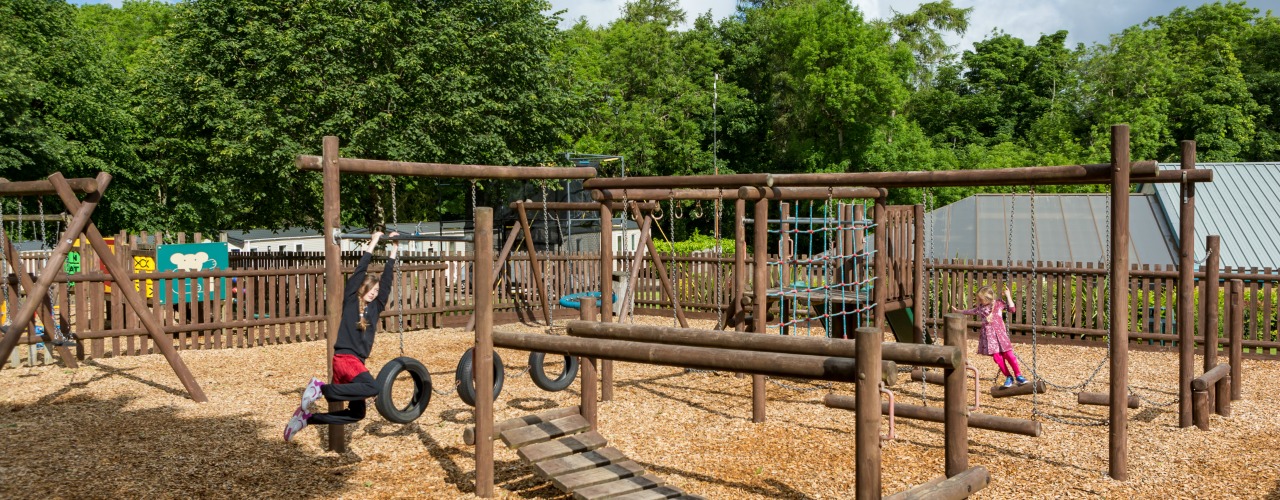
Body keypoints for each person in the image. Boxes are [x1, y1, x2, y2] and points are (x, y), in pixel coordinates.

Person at [285, 230, 399, 442]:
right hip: (345, 359)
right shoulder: (351, 300)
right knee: (373, 387)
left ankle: (306, 419)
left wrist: (394, 249)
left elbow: (387, 282)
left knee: (357, 414)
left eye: (376, 290)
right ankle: (320, 388)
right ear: (362, 287)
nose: (374, 292)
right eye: (370, 288)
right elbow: (360, 270)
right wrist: (373, 242)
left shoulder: (375, 308)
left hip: (356, 365)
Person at [952, 285, 1027, 389]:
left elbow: (1012, 309)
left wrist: (1008, 296)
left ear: (988, 298)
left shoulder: (999, 304)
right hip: (990, 338)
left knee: (1009, 355)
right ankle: (1008, 377)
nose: (979, 301)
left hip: (1001, 336)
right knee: (997, 358)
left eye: (981, 299)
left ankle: (1018, 375)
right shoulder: (981, 308)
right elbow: (969, 311)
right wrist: (958, 311)